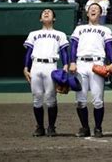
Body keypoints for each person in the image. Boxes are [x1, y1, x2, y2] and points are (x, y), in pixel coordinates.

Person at [69, 3, 112, 138]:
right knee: (80, 100)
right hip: (80, 63)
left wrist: (111, 62)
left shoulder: (105, 30)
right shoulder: (79, 28)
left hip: (97, 63)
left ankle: (98, 128)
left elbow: (109, 47)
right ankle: (84, 127)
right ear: (87, 13)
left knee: (98, 100)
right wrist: (72, 62)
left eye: (97, 9)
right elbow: (73, 46)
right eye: (91, 9)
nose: (93, 10)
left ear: (100, 14)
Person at [23, 8, 69, 137]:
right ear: (40, 19)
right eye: (44, 12)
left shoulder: (60, 34)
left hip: (51, 66)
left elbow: (64, 52)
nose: (46, 13)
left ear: (54, 18)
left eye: (49, 12)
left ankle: (51, 127)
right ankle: (40, 127)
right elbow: (28, 52)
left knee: (51, 98)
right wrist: (26, 67)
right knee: (37, 98)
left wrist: (65, 65)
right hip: (36, 65)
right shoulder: (33, 34)